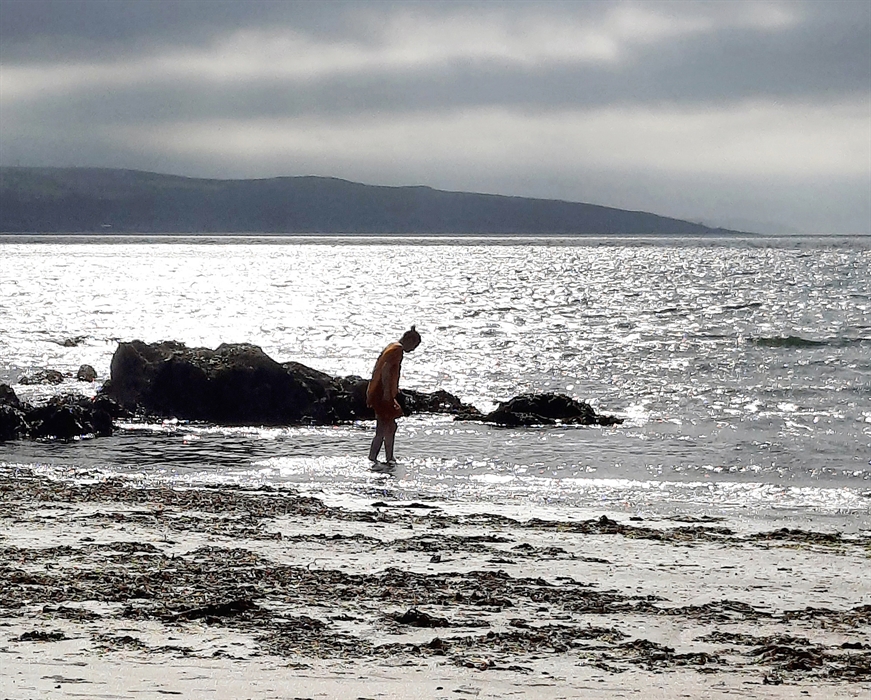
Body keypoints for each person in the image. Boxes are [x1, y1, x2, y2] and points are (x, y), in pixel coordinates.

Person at [367, 326, 421, 463]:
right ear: (409, 340)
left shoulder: (392, 347)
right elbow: (386, 370)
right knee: (386, 427)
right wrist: (387, 393)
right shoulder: (397, 350)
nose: (413, 350)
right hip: (382, 393)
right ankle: (381, 457)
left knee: (387, 426)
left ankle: (384, 456)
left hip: (378, 391)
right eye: (414, 346)